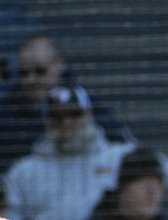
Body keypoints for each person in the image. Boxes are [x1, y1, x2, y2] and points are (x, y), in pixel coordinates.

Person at [3, 85, 168, 220]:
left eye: (74, 114)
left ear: (89, 115)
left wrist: (148, 173)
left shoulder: (119, 155)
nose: (67, 123)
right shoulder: (23, 171)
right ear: (46, 121)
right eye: (57, 117)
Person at [0, 35, 131, 176]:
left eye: (40, 71)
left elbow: (123, 151)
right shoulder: (5, 114)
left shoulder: (90, 106)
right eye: (24, 73)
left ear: (59, 65)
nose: (31, 80)